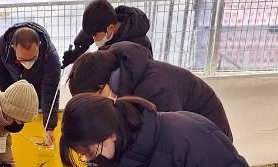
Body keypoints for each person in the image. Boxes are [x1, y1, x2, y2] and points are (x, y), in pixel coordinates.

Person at [59, 95, 253, 167]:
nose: (92, 159)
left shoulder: (176, 143)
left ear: (110, 133)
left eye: (90, 153)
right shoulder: (119, 142)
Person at [69, 41, 233, 140]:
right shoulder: (128, 78)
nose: (94, 106)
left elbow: (163, 143)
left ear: (111, 80)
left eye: (95, 97)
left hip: (209, 142)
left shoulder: (157, 91)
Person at [0, 24, 61, 147]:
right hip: (14, 89)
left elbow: (50, 91)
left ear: (39, 44)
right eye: (22, 59)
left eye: (33, 58)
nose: (28, 63)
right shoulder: (0, 48)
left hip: (40, 94)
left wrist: (49, 127)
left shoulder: (50, 56)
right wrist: (11, 102)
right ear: (13, 47)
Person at [62, 0, 153, 68]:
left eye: (94, 35)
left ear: (110, 28)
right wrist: (77, 52)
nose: (94, 39)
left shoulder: (138, 47)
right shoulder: (108, 20)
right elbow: (89, 33)